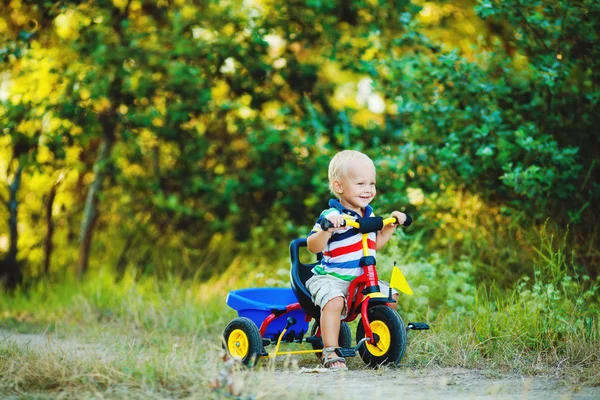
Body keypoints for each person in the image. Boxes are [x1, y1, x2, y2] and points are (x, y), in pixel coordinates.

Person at [306, 150, 407, 370]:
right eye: (361, 183)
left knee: (390, 297)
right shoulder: (331, 215)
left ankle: (383, 334)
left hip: (361, 279)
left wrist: (390, 225)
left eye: (372, 183)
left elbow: (375, 244)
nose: (368, 189)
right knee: (334, 301)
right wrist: (328, 229)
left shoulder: (369, 216)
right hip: (332, 277)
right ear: (339, 186)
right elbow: (313, 245)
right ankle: (330, 350)